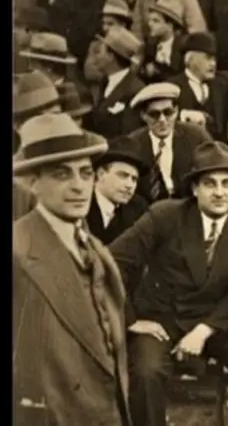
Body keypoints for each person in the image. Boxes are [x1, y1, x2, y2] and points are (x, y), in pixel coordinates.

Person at [109, 141, 228, 426]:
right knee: (146, 372)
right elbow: (112, 263)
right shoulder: (164, 215)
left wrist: (205, 329)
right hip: (161, 320)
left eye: (226, 183)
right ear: (195, 189)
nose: (219, 192)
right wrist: (130, 319)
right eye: (209, 183)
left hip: (215, 320)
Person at [13, 113, 130, 425]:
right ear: (32, 182)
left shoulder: (95, 249)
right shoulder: (19, 250)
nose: (79, 186)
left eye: (86, 173)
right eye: (61, 175)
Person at [87, 139, 150, 244]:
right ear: (101, 174)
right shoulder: (80, 201)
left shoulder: (138, 208)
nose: (129, 185)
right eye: (123, 175)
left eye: (134, 179)